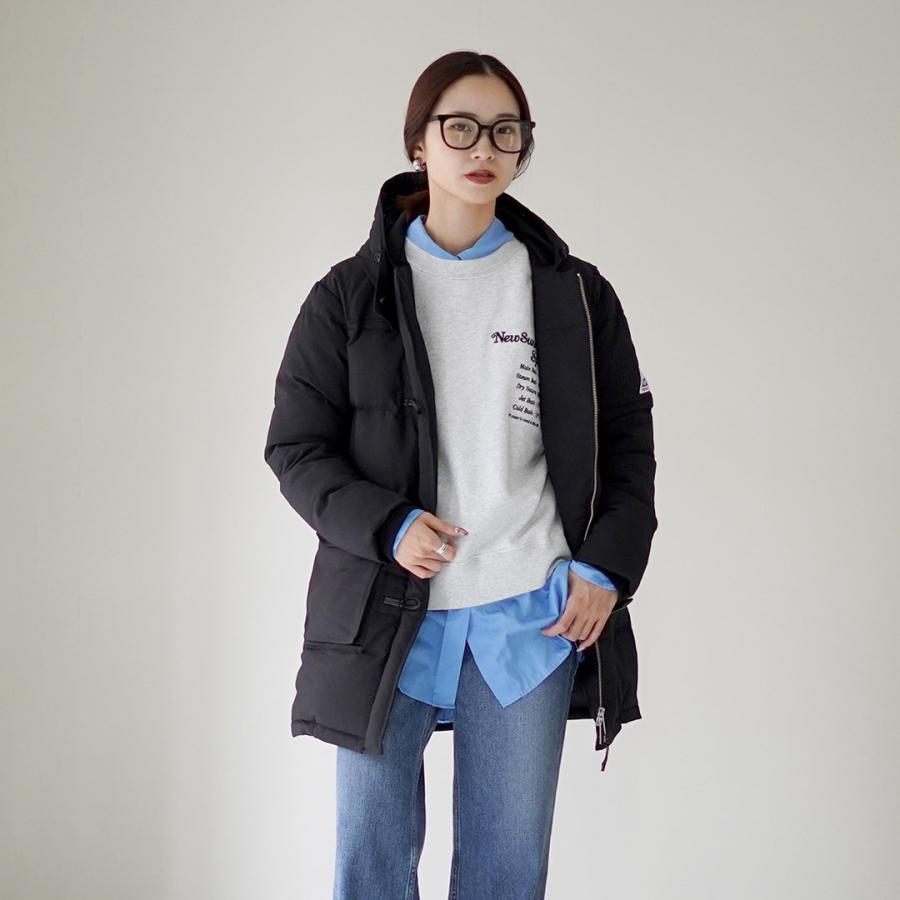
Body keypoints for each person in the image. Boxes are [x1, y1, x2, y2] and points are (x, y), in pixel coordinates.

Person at [264, 50, 657, 900]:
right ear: (419, 143)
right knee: (369, 865)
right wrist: (388, 525)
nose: (484, 147)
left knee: (506, 871)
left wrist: (606, 568)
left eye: (506, 131)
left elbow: (629, 443)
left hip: (532, 612)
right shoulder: (350, 296)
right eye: (461, 127)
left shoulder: (576, 294)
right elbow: (296, 447)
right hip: (385, 610)